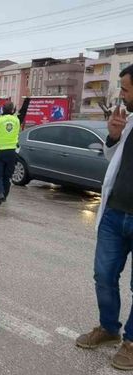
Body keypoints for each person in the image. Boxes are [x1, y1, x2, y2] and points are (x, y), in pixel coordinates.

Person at [76, 64, 133, 371]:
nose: (121, 94)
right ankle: (109, 328)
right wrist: (113, 137)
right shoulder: (128, 121)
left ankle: (132, 343)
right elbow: (113, 160)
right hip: (114, 213)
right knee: (104, 276)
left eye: (125, 88)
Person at [0, 98, 31, 206]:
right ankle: (4, 195)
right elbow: (24, 111)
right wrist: (27, 99)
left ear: (2, 109)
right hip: (11, 153)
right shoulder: (17, 119)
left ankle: (0, 193)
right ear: (13, 110)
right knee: (7, 176)